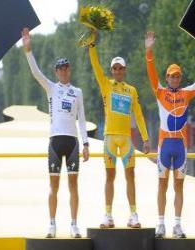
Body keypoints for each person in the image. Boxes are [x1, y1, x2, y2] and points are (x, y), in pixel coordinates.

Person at [144, 31, 195, 238]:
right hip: (164, 145)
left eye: (177, 75)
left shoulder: (186, 92)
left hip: (181, 146)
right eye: (171, 76)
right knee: (162, 185)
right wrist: (149, 51)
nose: (174, 78)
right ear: (167, 78)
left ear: (180, 77)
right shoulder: (160, 92)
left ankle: (177, 225)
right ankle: (161, 224)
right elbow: (151, 75)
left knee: (179, 186)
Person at [21, 28, 90, 238]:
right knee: (54, 185)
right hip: (55, 142)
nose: (63, 72)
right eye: (60, 69)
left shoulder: (77, 91)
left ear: (69, 71)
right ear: (56, 72)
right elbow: (35, 72)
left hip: (72, 143)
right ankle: (51, 225)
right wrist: (28, 49)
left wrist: (86, 144)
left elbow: (82, 119)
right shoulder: (51, 87)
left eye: (66, 69)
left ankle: (74, 225)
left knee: (73, 185)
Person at [87, 34, 151, 229]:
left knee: (130, 176)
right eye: (114, 68)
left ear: (124, 70)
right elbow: (95, 65)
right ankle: (107, 215)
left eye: (120, 68)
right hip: (109, 138)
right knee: (109, 177)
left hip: (126, 140)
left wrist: (146, 139)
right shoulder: (105, 85)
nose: (117, 71)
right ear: (111, 71)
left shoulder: (131, 90)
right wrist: (92, 45)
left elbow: (138, 116)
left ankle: (133, 215)